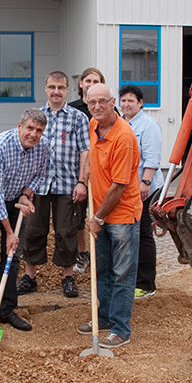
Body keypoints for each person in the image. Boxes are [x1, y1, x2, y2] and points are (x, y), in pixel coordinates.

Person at [77, 83, 142, 349]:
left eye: (102, 102)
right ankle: (102, 318)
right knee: (102, 270)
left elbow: (119, 185)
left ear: (112, 101)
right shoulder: (94, 125)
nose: (97, 107)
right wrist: (84, 180)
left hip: (121, 216)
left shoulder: (123, 137)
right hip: (99, 213)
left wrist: (98, 218)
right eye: (92, 103)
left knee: (122, 275)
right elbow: (91, 160)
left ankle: (120, 329)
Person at [0, 109, 50, 332]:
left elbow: (40, 174)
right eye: (30, 128)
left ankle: (6, 309)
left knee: (14, 252)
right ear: (19, 126)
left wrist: (26, 193)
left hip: (16, 197)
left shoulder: (43, 147)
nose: (34, 134)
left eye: (39, 130)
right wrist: (8, 232)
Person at [17, 71, 88, 298]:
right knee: (33, 230)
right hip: (38, 185)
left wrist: (82, 182)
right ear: (45, 88)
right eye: (52, 87)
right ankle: (30, 276)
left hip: (68, 185)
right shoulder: (37, 118)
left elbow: (85, 152)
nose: (56, 91)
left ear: (67, 89)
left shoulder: (78, 118)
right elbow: (25, 147)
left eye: (60, 87)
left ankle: (68, 277)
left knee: (67, 232)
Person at [119, 85, 164, 300]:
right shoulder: (122, 124)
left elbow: (152, 157)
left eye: (131, 101)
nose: (126, 104)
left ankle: (146, 284)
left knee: (144, 234)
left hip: (145, 188)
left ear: (140, 103)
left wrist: (145, 182)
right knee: (130, 234)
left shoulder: (148, 125)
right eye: (123, 100)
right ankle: (133, 279)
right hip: (128, 190)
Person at [68, 67, 106, 275]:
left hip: (102, 173)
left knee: (101, 215)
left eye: (96, 81)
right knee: (77, 217)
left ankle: (100, 252)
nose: (91, 84)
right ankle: (83, 254)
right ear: (81, 83)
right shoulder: (72, 109)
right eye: (88, 81)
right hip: (79, 172)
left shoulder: (107, 111)